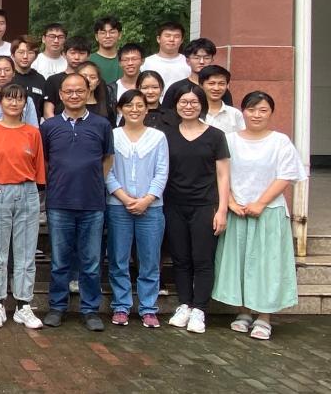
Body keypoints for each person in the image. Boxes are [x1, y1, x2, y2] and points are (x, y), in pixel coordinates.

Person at [213, 92, 307, 341]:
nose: (256, 115)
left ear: (271, 113)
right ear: (242, 111)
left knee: (267, 265)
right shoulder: (229, 140)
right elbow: (221, 174)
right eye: (251, 109)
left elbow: (286, 175)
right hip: (237, 211)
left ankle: (264, 316)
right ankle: (243, 312)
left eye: (263, 110)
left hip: (269, 212)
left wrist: (261, 203)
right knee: (239, 262)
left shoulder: (280, 141)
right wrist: (231, 202)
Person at [40, 73, 114, 332]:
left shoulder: (101, 124)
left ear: (88, 92)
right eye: (68, 91)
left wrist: (95, 181)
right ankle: (57, 307)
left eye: (79, 91)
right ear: (60, 95)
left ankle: (90, 309)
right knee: (60, 261)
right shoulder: (49, 127)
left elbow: (108, 158)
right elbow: (45, 161)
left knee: (91, 262)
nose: (74, 95)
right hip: (59, 202)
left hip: (92, 203)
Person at [161, 82, 230, 334]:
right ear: (176, 105)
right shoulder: (166, 136)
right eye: (183, 102)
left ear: (202, 105)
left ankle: (200, 308)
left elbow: (223, 175)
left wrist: (222, 210)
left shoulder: (216, 136)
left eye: (194, 102)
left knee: (203, 259)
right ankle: (185, 305)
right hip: (173, 205)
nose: (188, 106)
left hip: (205, 205)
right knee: (180, 259)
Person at [0, 83, 46, 330]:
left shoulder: (33, 133)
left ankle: (23, 304)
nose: (14, 103)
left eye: (19, 99)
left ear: (25, 104)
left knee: (26, 252)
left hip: (27, 191)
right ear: (0, 102)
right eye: (9, 98)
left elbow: (39, 168)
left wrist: (36, 191)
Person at [105, 89, 169, 329]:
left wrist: (147, 199)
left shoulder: (158, 137)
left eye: (139, 105)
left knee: (149, 260)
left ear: (147, 108)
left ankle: (148, 308)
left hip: (151, 208)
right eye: (129, 105)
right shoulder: (112, 136)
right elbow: (106, 171)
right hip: (117, 206)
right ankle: (121, 306)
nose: (134, 109)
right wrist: (123, 197)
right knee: (118, 259)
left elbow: (162, 171)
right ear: (120, 109)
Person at [161, 38, 233, 109]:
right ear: (188, 61)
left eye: (206, 58)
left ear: (212, 60)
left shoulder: (218, 89)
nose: (202, 62)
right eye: (196, 58)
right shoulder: (176, 88)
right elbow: (165, 113)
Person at [42, 36, 91, 119]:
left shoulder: (92, 80)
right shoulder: (53, 80)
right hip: (58, 125)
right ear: (64, 54)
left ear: (88, 56)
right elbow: (48, 112)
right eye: (72, 53)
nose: (77, 57)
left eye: (82, 53)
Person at [142, 22, 189, 97]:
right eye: (167, 36)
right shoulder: (146, 63)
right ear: (158, 39)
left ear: (182, 40)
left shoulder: (189, 62)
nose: (172, 39)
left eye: (176, 36)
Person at [199, 65, 245, 135]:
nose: (216, 88)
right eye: (211, 83)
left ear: (227, 86)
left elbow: (242, 137)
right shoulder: (194, 112)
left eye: (221, 84)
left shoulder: (235, 114)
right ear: (201, 85)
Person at [11, 35, 47, 119]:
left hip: (34, 126)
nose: (25, 56)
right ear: (13, 55)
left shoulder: (40, 79)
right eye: (21, 52)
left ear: (36, 56)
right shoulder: (6, 77)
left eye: (30, 53)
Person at [76, 61, 116, 127]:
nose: (88, 80)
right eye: (84, 76)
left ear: (98, 82)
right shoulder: (67, 106)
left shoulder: (106, 109)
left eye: (93, 77)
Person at [89, 17, 123, 84]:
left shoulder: (128, 60)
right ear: (96, 37)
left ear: (119, 35)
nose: (107, 36)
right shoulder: (89, 60)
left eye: (112, 32)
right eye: (103, 33)